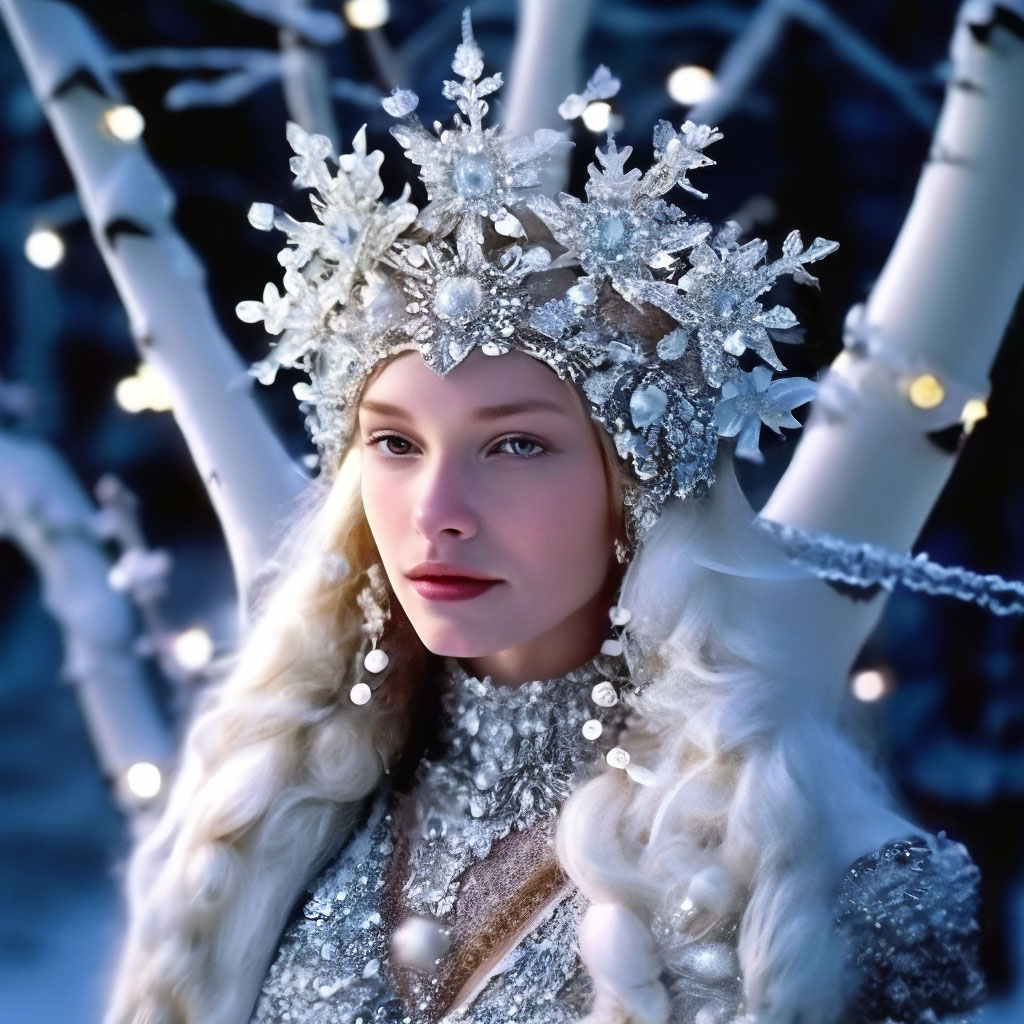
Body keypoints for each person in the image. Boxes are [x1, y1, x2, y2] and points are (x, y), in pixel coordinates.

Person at [104, 16, 985, 1024]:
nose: (437, 514)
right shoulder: (266, 810)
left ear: (636, 487)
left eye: (516, 445)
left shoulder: (841, 897)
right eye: (394, 443)